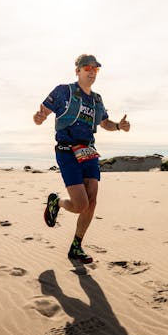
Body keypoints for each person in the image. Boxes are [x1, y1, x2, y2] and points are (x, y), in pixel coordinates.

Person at [33, 54, 130, 264]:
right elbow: (40, 115)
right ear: (77, 70)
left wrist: (119, 127)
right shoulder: (63, 91)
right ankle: (56, 202)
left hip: (88, 152)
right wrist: (38, 118)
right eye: (87, 67)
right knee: (79, 205)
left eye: (96, 68)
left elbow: (105, 124)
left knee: (92, 202)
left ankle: (76, 246)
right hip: (67, 151)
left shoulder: (97, 99)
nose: (92, 71)